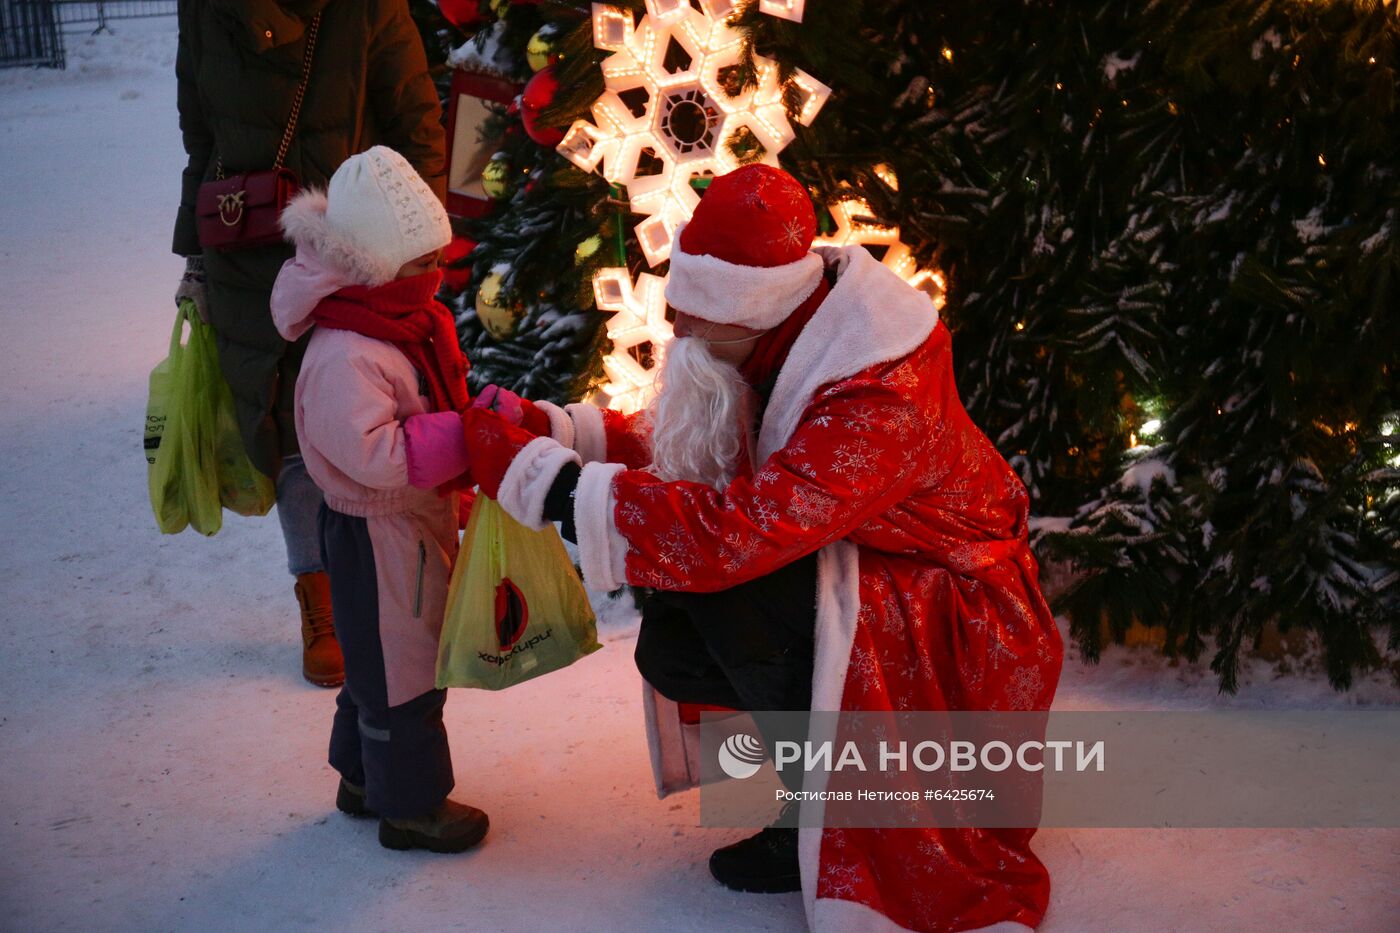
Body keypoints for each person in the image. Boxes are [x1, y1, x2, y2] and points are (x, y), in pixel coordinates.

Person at [452, 164, 1065, 931]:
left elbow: (739, 532)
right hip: (873, 570)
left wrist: (555, 489)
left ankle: (816, 806)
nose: (677, 335)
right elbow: (704, 436)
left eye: (695, 325)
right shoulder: (788, 324)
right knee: (680, 637)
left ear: (749, 317)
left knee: (731, 589)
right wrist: (563, 432)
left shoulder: (875, 394)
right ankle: (807, 785)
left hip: (952, 618)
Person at [173, 0, 448, 687]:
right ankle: (320, 599)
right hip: (245, 247)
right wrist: (196, 260)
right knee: (288, 433)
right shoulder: (204, 11)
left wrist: (412, 253)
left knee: (363, 423)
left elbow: (418, 128)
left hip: (358, 255)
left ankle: (379, 591)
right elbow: (201, 138)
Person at [268, 146, 487, 853]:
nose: (437, 274)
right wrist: (463, 437)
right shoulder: (345, 351)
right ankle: (411, 806)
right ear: (377, 265)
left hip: (406, 527)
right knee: (403, 676)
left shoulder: (392, 323)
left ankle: (363, 777)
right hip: (376, 534)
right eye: (423, 262)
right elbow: (375, 455)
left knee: (377, 663)